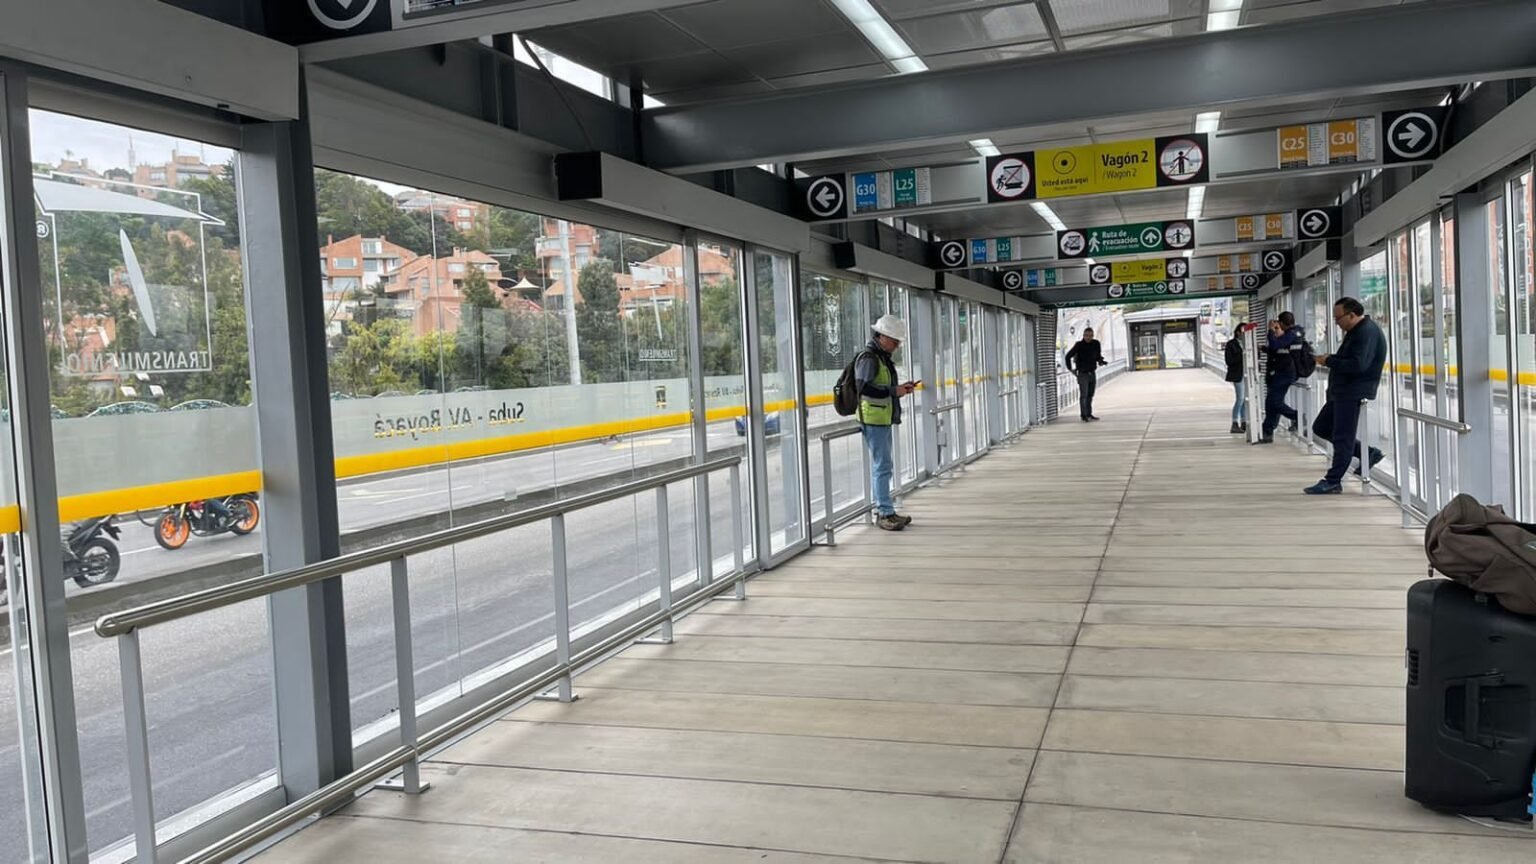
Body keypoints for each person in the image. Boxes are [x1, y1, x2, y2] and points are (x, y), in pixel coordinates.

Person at [1305, 297, 1388, 495]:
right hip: (1341, 390)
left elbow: (1358, 365)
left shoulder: (1366, 332)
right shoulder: (1355, 331)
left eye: (1338, 318)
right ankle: (1368, 453)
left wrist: (1329, 361)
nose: (1336, 322)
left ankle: (1333, 481)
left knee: (1343, 437)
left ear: (1351, 315)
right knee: (1322, 427)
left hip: (1353, 391)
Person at [856, 315, 919, 530]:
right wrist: (894, 391)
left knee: (884, 466)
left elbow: (878, 387)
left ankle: (887, 510)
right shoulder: (869, 358)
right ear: (882, 337)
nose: (897, 346)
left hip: (881, 417)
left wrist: (899, 390)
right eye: (894, 341)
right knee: (882, 466)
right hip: (873, 419)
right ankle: (884, 513)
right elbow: (863, 388)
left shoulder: (881, 357)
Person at [1256, 312, 1304, 444]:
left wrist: (1271, 332)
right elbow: (1278, 350)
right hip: (1281, 373)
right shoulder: (1294, 334)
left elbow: (1276, 346)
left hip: (1284, 374)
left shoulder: (1292, 334)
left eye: (1278, 326)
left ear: (1282, 323)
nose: (1277, 329)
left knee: (1274, 402)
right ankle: (1267, 431)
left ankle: (1297, 416)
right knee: (1271, 402)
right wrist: (1265, 348)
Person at [1065, 327, 1107, 422]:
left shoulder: (1096, 344)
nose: (1088, 338)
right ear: (1083, 336)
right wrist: (1070, 369)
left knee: (1090, 394)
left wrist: (1101, 361)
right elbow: (1068, 356)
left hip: (1092, 372)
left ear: (1093, 336)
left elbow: (1097, 356)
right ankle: (1083, 415)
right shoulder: (1079, 345)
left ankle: (1089, 413)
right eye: (1086, 336)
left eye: (1090, 336)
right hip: (1082, 373)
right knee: (1084, 394)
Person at [1223, 323, 1250, 434]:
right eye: (1243, 331)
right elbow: (1229, 361)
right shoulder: (1231, 344)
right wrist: (1242, 354)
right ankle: (1234, 423)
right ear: (1238, 332)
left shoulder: (1248, 343)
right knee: (1240, 398)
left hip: (1247, 374)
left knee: (1244, 400)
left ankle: (1244, 422)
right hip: (1238, 374)